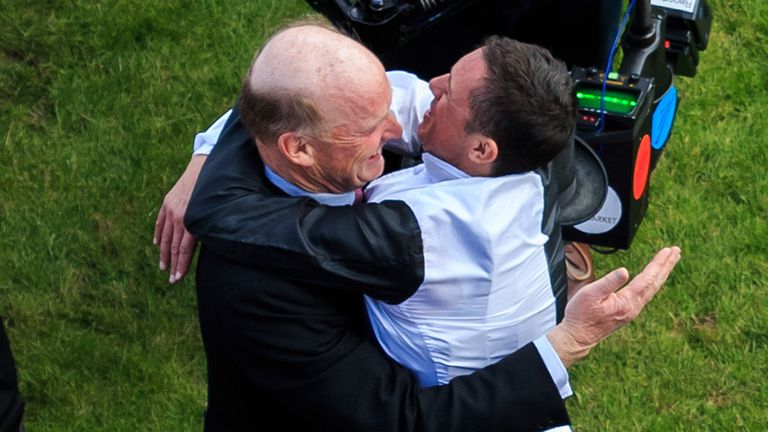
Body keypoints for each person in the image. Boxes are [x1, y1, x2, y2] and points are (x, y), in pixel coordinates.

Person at [157, 23, 681, 431]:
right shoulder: (532, 142)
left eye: (446, 93)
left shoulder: (423, 228)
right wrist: (209, 150)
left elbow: (223, 210)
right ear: (298, 145)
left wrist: (567, 343)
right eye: (369, 123)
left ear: (481, 149)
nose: (395, 128)